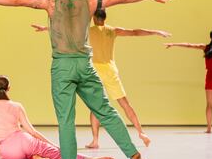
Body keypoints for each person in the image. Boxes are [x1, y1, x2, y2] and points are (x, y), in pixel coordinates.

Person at [0, 0, 173, 159]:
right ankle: (133, 155)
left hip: (63, 67)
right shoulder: (90, 2)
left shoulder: (50, 3)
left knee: (66, 119)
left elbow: (18, 0)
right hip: (85, 64)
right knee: (106, 111)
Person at [31, 8, 171, 149]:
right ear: (105, 18)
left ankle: (95, 140)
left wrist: (45, 28)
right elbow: (134, 32)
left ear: (93, 18)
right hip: (110, 71)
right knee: (124, 103)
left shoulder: (88, 31)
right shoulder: (112, 30)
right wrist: (156, 32)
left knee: (96, 105)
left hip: (95, 70)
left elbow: (66, 31)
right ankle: (141, 133)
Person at [0, 75, 115, 159]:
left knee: (19, 155)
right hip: (24, 140)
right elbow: (32, 132)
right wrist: (54, 146)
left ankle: (33, 158)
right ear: (9, 88)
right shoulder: (17, 106)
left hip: (8, 153)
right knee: (58, 155)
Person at [165, 29, 212, 133]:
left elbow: (189, 45)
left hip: (210, 76)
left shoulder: (207, 48)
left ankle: (209, 128)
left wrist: (174, 44)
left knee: (209, 104)